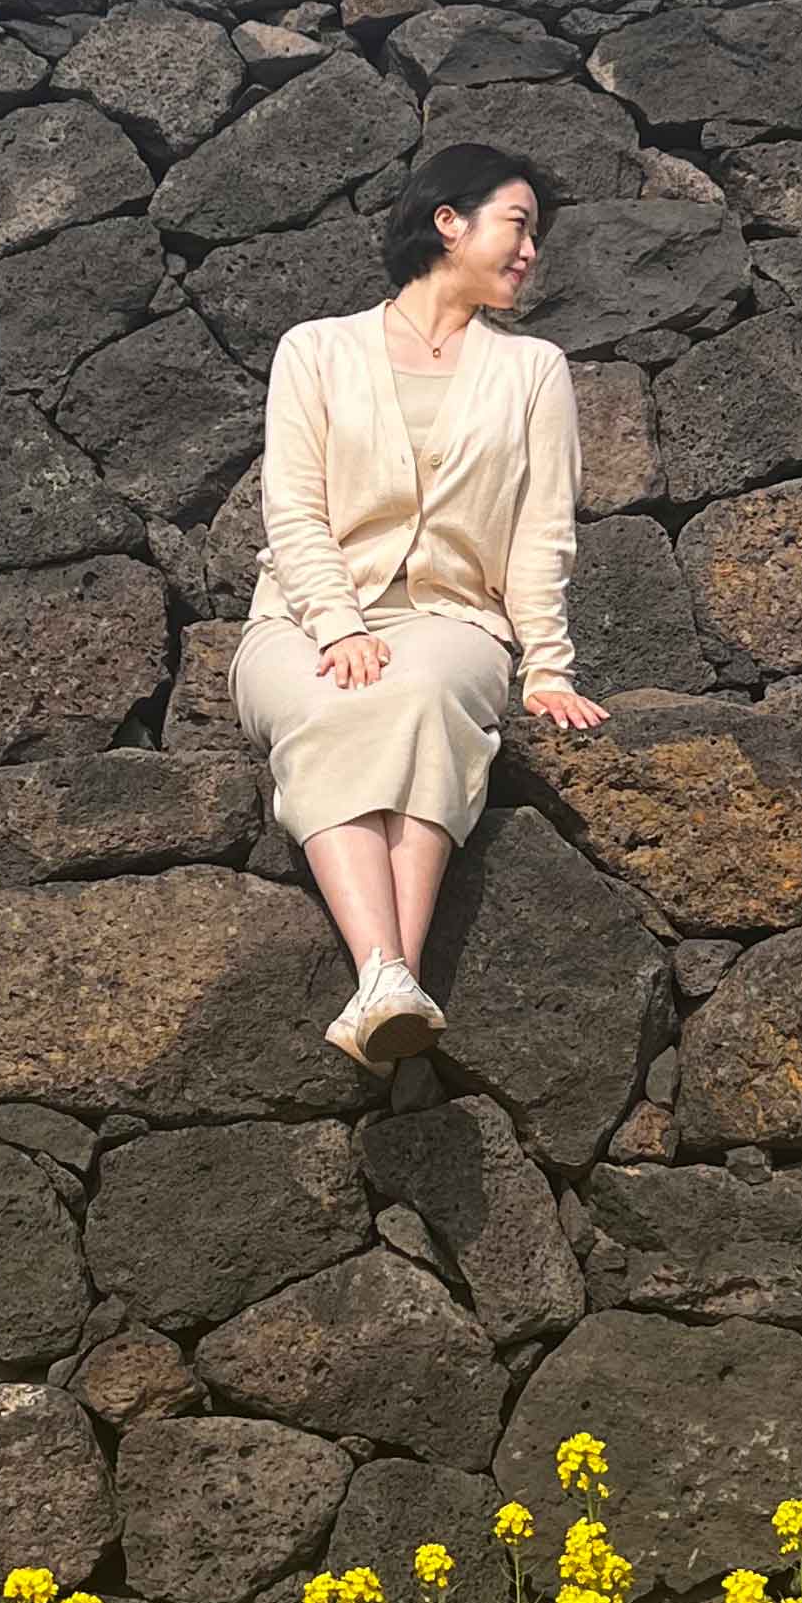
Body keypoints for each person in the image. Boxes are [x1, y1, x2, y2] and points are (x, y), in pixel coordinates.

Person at [232, 140, 608, 1068]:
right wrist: (338, 625)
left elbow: (542, 531)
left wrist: (548, 666)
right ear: (449, 221)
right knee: (328, 700)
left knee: (426, 691)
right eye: (519, 225)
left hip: (455, 621)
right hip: (301, 617)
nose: (531, 251)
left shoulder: (533, 370)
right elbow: (294, 509)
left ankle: (380, 982)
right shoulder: (316, 351)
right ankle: (392, 978)